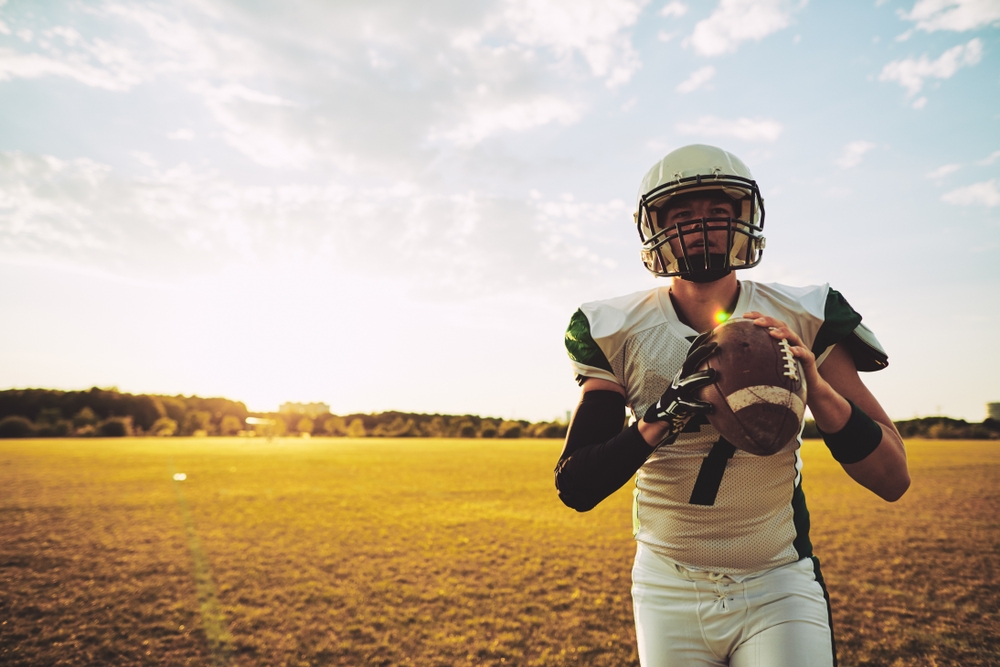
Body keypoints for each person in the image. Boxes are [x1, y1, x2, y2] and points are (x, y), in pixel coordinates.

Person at [555, 144, 910, 667]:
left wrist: (814, 384)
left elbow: (893, 478)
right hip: (666, 584)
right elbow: (577, 485)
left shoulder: (805, 313)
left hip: (777, 580)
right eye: (682, 215)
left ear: (744, 220)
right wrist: (666, 411)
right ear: (655, 228)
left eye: (717, 213)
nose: (700, 227)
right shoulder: (617, 326)